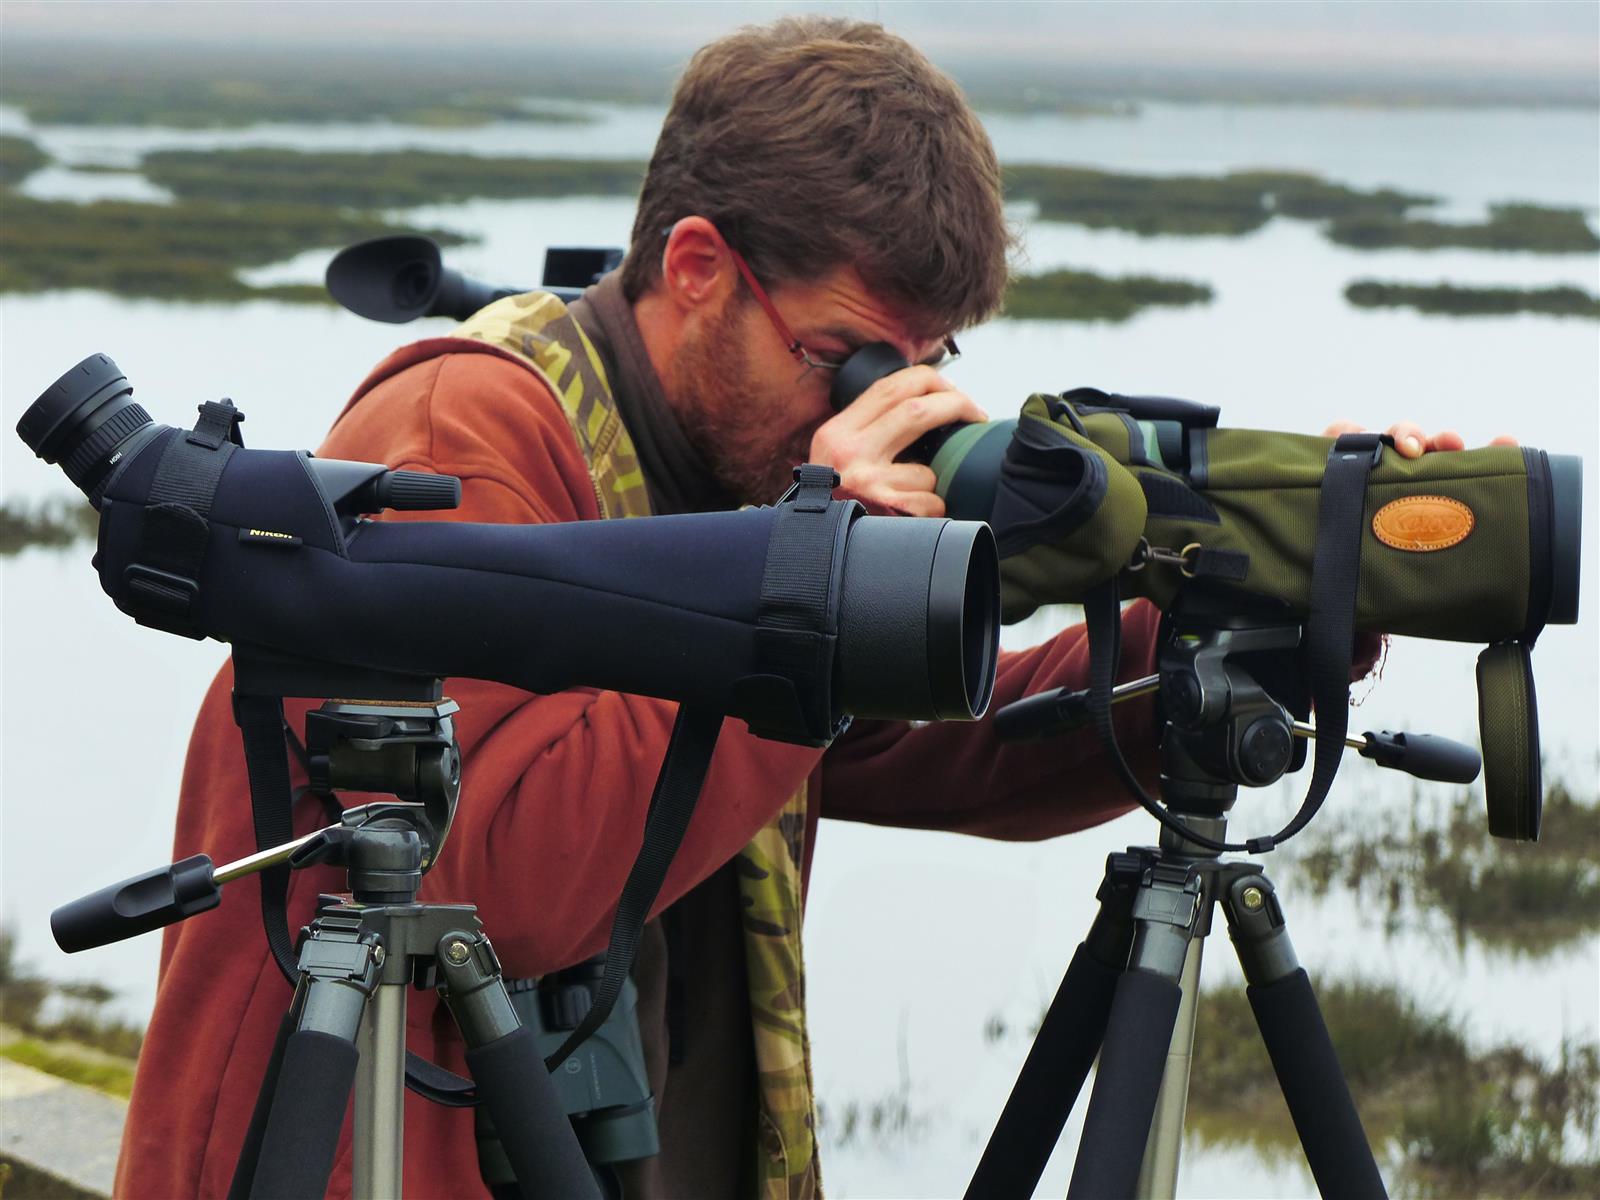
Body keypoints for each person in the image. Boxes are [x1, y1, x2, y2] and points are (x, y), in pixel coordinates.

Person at [113, 17, 1483, 1200]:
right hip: (385, 1155)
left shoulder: (730, 468)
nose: (878, 404)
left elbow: (904, 731)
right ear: (699, 267)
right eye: (844, 359)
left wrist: (1269, 613)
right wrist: (809, 573)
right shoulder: (464, 423)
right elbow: (493, 880)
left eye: (926, 365)